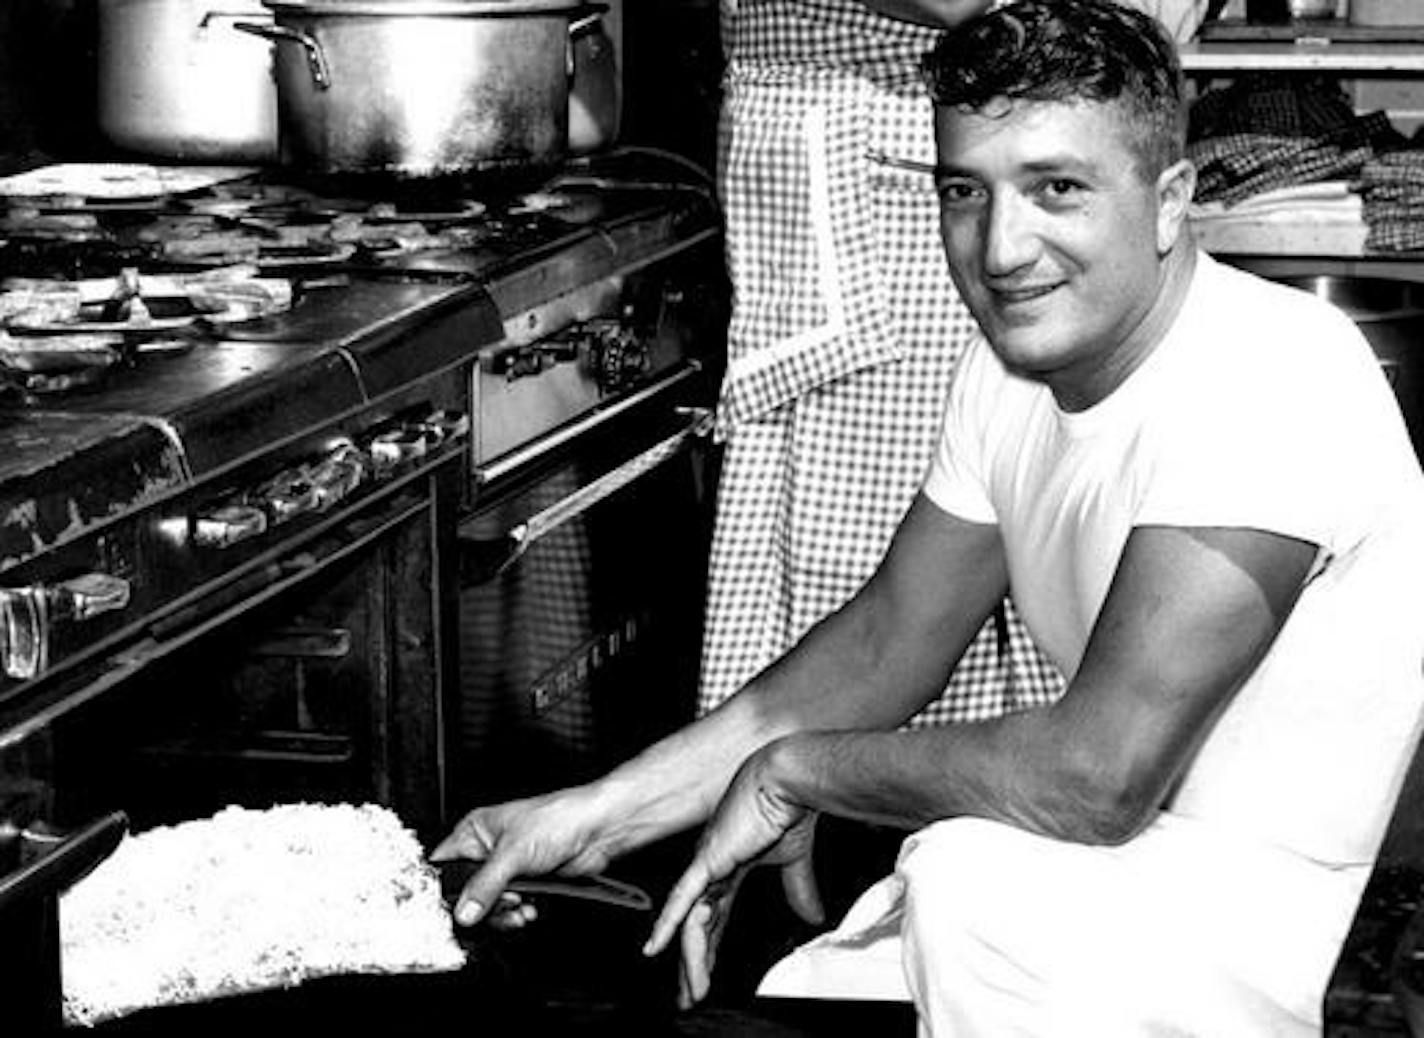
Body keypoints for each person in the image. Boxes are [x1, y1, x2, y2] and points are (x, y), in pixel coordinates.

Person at [434, 1, 1424, 1032]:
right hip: (1103, 898)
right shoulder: (1011, 375)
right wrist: (596, 815)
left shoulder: (1269, 377)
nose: (1000, 250)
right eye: (964, 190)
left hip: (1273, 950)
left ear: (1169, 198)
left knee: (957, 878)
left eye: (1057, 189)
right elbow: (884, 641)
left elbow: (1095, 779)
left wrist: (796, 774)